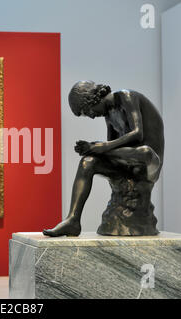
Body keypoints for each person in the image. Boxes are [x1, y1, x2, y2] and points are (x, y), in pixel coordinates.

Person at [43, 81, 164, 237]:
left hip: (147, 163)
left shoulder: (126, 96)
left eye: (88, 111)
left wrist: (101, 147)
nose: (92, 116)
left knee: (145, 151)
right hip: (128, 164)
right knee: (88, 162)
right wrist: (93, 150)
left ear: (93, 98)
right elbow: (112, 149)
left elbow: (137, 134)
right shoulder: (109, 116)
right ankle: (73, 220)